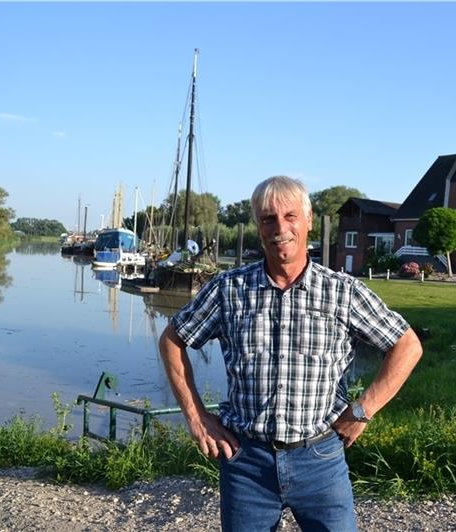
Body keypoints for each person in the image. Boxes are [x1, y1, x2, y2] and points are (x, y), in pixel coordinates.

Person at [159, 175, 423, 531]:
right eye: (268, 218)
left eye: (290, 216)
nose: (279, 228)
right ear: (258, 226)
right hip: (246, 462)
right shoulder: (229, 289)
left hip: (321, 457)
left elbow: (406, 345)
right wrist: (195, 416)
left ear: (309, 220)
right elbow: (172, 340)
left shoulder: (341, 292)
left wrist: (363, 409)